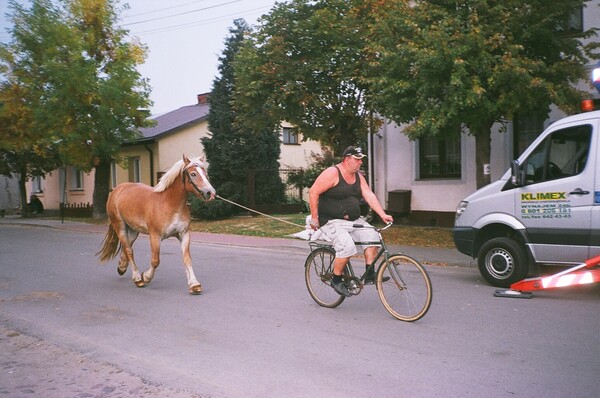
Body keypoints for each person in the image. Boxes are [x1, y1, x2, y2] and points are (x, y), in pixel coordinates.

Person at [308, 145, 394, 297]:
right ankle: (336, 279)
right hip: (331, 221)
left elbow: (368, 195)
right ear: (347, 160)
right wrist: (314, 218)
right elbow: (314, 192)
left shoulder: (359, 177)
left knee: (372, 236)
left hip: (353, 220)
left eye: (361, 160)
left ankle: (369, 273)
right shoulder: (332, 173)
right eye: (357, 159)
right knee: (346, 246)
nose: (360, 162)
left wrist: (382, 214)